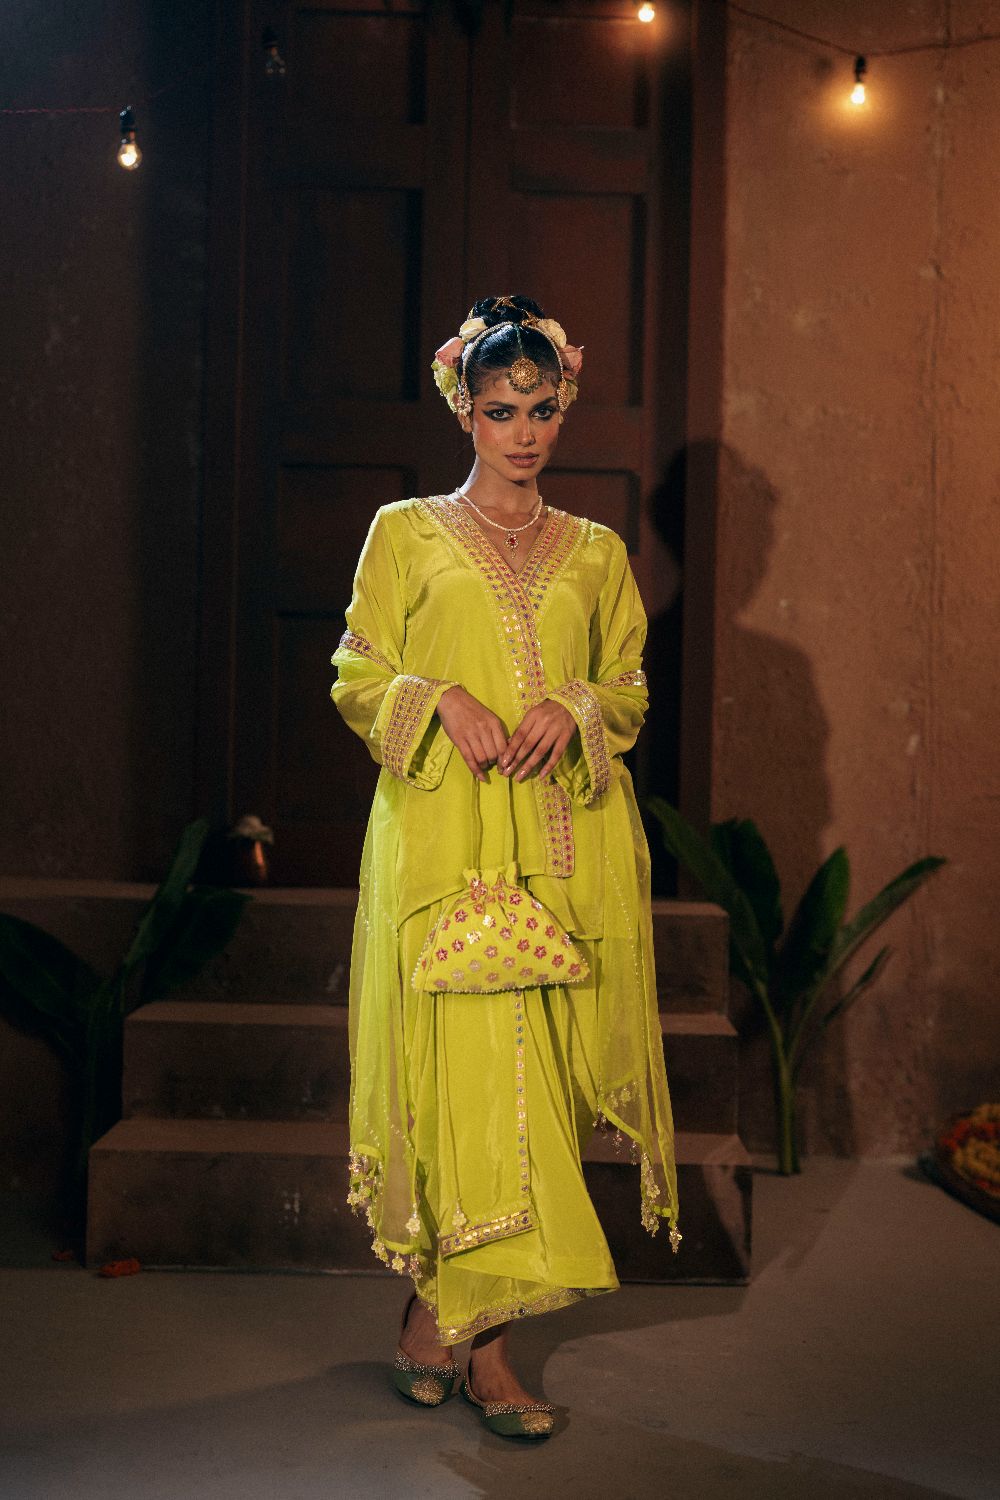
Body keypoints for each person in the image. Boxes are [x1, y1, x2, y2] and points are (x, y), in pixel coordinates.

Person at [330, 294, 680, 1439]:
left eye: (539, 409)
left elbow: (626, 686)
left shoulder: (598, 552)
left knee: (535, 1091)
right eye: (498, 411)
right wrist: (439, 698)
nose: (521, 433)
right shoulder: (404, 532)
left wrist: (573, 707)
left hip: (562, 846)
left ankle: (434, 1323)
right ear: (463, 412)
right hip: (444, 841)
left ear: (562, 407)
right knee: (465, 1084)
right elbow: (357, 672)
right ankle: (490, 1359)